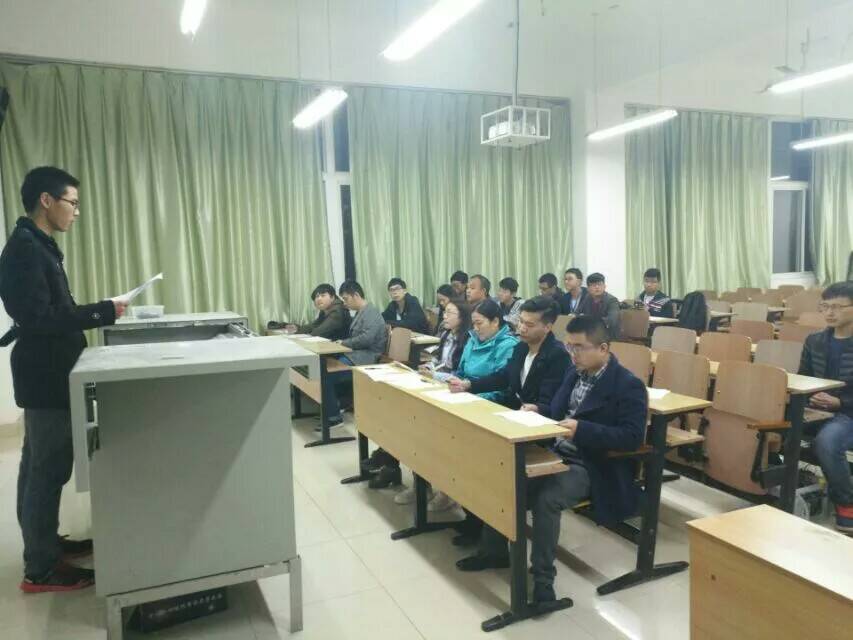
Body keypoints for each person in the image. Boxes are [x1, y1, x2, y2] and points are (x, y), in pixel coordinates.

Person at [454, 316, 646, 607]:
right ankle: (494, 551)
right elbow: (557, 411)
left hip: (590, 464)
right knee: (501, 477)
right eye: (569, 347)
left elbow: (631, 437)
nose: (573, 354)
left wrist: (583, 429)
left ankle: (543, 581)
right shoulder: (574, 373)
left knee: (548, 499)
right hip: (554, 450)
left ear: (603, 348)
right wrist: (538, 409)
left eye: (579, 347)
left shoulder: (628, 385)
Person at [0, 167, 128, 593]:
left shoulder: (37, 245)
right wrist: (102, 310)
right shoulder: (25, 250)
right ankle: (40, 569)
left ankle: (44, 545)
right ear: (46, 200)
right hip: (45, 373)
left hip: (48, 371)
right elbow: (42, 319)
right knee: (47, 469)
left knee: (37, 463)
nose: (76, 211)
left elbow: (47, 312)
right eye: (72, 202)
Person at [388, 301, 473, 510]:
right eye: (445, 312)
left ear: (462, 317)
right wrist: (430, 366)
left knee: (441, 444)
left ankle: (447, 492)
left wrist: (437, 374)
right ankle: (421, 485)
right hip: (436, 387)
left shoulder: (469, 339)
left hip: (455, 393)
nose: (444, 316)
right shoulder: (445, 335)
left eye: (450, 313)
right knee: (418, 435)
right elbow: (439, 360)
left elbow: (461, 374)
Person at [799, 281, 853, 534]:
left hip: (848, 414)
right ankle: (787, 485)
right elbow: (803, 376)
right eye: (825, 306)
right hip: (817, 408)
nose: (830, 313)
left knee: (827, 442)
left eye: (838, 307)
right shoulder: (815, 340)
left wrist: (841, 402)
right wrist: (809, 397)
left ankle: (846, 503)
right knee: (772, 423)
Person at [319, 280, 386, 429]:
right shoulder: (361, 312)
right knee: (324, 366)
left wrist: (344, 343)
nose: (344, 303)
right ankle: (337, 405)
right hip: (356, 354)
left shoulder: (371, 312)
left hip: (366, 358)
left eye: (346, 299)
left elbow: (367, 339)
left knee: (325, 375)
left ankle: (334, 417)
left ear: (356, 295)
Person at [275, 284, 350, 340]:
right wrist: (297, 328)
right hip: (329, 346)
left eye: (323, 295)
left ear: (332, 297)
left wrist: (303, 335)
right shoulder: (325, 309)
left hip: (340, 350)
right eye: (317, 296)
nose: (319, 299)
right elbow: (314, 325)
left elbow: (320, 331)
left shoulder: (337, 310)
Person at [576, 272, 621, 339]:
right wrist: (573, 315)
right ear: (588, 289)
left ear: (604, 286)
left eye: (599, 284)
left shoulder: (612, 300)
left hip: (608, 336)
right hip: (591, 335)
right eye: (593, 285)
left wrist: (590, 322)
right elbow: (578, 312)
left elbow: (611, 320)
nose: (597, 287)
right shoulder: (588, 298)